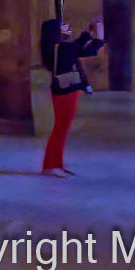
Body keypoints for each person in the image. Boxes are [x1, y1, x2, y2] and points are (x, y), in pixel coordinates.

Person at [40, 17, 105, 176]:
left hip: (66, 90)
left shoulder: (58, 47)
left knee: (62, 129)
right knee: (60, 129)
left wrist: (97, 38)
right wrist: (90, 33)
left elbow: (85, 51)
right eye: (62, 26)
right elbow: (78, 46)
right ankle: (50, 166)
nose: (66, 27)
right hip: (65, 92)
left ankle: (57, 163)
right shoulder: (60, 48)